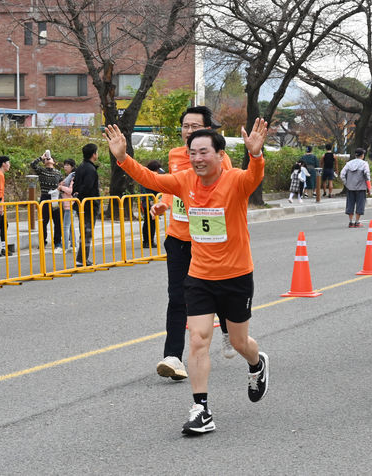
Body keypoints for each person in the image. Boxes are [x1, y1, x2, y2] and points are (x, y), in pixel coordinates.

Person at [104, 121, 270, 435]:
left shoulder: (235, 180)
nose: (197, 158)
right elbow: (152, 178)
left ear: (220, 155)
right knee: (198, 340)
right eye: (192, 152)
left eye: (204, 152)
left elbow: (254, 176)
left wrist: (256, 154)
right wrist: (123, 158)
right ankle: (201, 409)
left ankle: (256, 363)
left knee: (239, 341)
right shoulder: (185, 180)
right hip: (200, 275)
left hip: (236, 275)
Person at [149, 106, 234, 382]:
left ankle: (229, 331)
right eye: (185, 126)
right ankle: (172, 357)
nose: (188, 131)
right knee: (177, 297)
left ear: (208, 130)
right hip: (178, 238)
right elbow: (171, 185)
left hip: (208, 240)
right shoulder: (176, 155)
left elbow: (230, 191)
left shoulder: (222, 159)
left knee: (216, 292)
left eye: (195, 126)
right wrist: (161, 203)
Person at [72, 144, 100, 266]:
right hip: (89, 204)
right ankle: (82, 259)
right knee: (87, 231)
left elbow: (76, 185)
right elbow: (88, 186)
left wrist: (77, 194)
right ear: (93, 154)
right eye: (96, 152)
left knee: (84, 231)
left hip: (81, 204)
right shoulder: (90, 169)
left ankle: (81, 258)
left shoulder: (80, 167)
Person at [31, 151, 62, 248]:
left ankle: (57, 242)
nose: (48, 159)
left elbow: (61, 184)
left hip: (55, 198)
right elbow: (32, 165)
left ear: (54, 161)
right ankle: (42, 241)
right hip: (45, 197)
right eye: (46, 159)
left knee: (57, 221)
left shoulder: (58, 173)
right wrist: (41, 157)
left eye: (50, 158)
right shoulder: (41, 171)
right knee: (43, 221)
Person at [340, 148, 371, 228]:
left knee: (350, 204)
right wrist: (369, 188)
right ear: (362, 155)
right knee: (360, 205)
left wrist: (346, 183)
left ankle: (350, 222)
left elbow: (342, 174)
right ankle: (357, 222)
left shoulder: (349, 164)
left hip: (350, 188)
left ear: (355, 155)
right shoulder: (364, 164)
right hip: (361, 187)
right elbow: (367, 175)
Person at [139, 160, 164, 248]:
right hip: (148, 202)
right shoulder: (145, 176)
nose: (158, 172)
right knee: (149, 222)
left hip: (154, 202)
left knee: (151, 222)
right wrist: (150, 200)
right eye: (157, 170)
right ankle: (147, 241)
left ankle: (149, 241)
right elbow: (144, 190)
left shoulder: (154, 176)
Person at [57, 159, 77, 253]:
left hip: (70, 204)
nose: (65, 167)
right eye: (64, 165)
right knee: (70, 226)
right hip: (68, 204)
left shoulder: (73, 177)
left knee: (65, 226)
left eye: (68, 165)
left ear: (72, 166)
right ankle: (73, 246)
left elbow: (70, 191)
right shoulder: (69, 177)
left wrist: (61, 187)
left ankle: (64, 247)